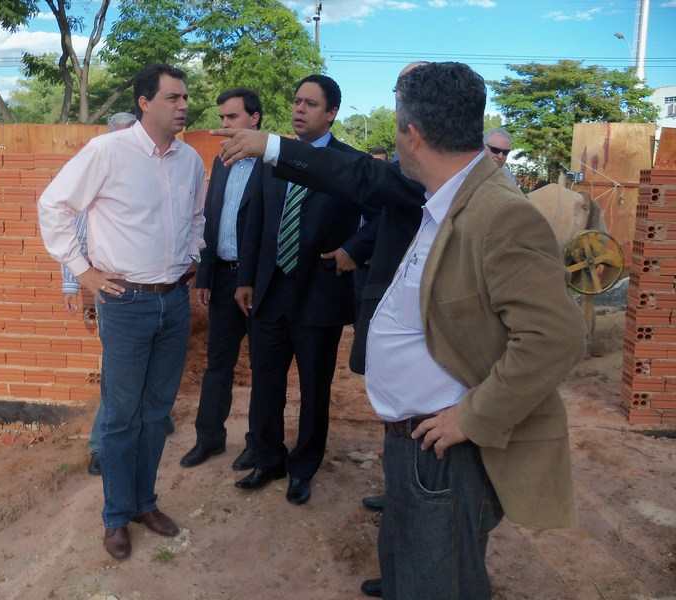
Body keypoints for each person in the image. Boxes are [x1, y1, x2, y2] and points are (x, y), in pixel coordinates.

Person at [213, 61, 585, 600]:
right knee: (410, 549)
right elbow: (359, 180)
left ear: (411, 134)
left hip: (447, 440)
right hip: (410, 432)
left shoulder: (500, 213)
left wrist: (474, 416)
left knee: (440, 576)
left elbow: (555, 338)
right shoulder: (440, 193)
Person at [39, 63, 205, 560]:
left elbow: (198, 215)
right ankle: (115, 516)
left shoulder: (189, 160)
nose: (183, 105)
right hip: (126, 303)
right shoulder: (107, 152)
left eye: (185, 97)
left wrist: (193, 254)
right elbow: (53, 205)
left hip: (173, 301)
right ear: (145, 103)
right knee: (120, 415)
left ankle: (143, 503)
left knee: (156, 413)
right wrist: (82, 271)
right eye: (173, 97)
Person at [233, 74, 374, 506]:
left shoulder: (352, 163)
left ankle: (304, 466)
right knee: (266, 384)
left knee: (315, 390)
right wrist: (245, 278)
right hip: (270, 292)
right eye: (296, 101)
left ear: (331, 113)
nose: (299, 109)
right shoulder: (273, 157)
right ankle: (269, 458)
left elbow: (383, 218)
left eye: (310, 104)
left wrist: (353, 249)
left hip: (320, 295)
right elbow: (255, 219)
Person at [58, 112, 174, 478]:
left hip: (156, 292)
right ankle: (102, 447)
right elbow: (75, 230)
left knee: (146, 368)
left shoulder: (154, 172)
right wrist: (74, 281)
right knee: (118, 376)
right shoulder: (102, 170)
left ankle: (151, 421)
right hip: (117, 292)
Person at [179, 88, 264, 471]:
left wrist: (253, 277)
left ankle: (259, 445)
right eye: (222, 118)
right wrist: (205, 275)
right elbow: (211, 220)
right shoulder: (222, 161)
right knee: (218, 364)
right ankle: (208, 438)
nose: (224, 124)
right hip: (223, 279)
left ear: (254, 118)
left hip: (260, 284)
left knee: (264, 367)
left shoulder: (273, 164)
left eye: (232, 117)